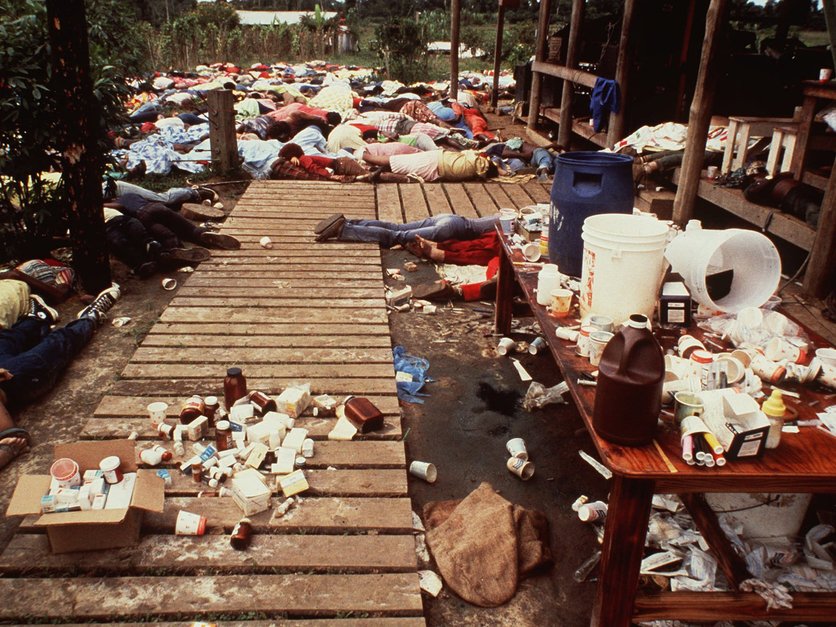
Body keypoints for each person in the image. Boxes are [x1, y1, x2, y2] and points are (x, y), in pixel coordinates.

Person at [0, 285, 120, 470]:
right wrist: (7, 449)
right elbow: (13, 437)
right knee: (55, 346)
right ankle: (90, 318)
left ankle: (38, 319)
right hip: (12, 384)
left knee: (8, 339)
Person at [107, 194, 240, 251]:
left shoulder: (116, 202)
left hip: (143, 216)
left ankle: (179, 250)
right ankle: (203, 235)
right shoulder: (130, 195)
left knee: (168, 236)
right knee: (189, 229)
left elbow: (121, 209)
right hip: (157, 207)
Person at [314, 212, 499, 246]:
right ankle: (345, 230)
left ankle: (352, 222)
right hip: (453, 229)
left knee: (397, 227)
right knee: (397, 236)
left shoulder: (514, 216)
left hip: (451, 218)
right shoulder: (514, 227)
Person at [361, 149, 495, 183]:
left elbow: (469, 152)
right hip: (437, 172)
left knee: (397, 161)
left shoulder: (473, 158)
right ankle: (372, 172)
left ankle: (367, 158)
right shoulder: (474, 173)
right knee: (405, 171)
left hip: (435, 160)